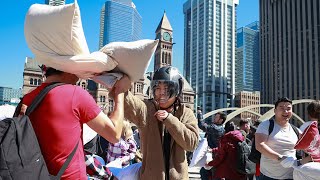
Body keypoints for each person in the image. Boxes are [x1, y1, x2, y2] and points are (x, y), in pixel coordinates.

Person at [21, 67, 125, 179]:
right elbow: (114, 135)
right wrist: (120, 93)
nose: (79, 78)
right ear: (68, 68)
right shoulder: (75, 93)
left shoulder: (27, 98)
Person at [113, 66, 199, 180]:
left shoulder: (185, 113)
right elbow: (130, 103)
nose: (161, 93)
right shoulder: (148, 110)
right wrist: (118, 83)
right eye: (157, 88)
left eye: (167, 89)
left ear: (177, 90)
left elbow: (191, 144)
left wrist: (169, 119)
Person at [255, 97, 301, 180]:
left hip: (291, 176)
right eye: (281, 108)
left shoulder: (296, 130)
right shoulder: (266, 125)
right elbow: (259, 145)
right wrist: (280, 158)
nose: (285, 111)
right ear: (275, 111)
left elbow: (307, 147)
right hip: (268, 176)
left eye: (288, 109)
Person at [198, 112, 226, 180]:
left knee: (206, 173)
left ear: (221, 120)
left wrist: (200, 115)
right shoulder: (221, 128)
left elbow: (202, 125)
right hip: (214, 155)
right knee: (205, 172)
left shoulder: (216, 128)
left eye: (216, 117)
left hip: (212, 156)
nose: (214, 118)